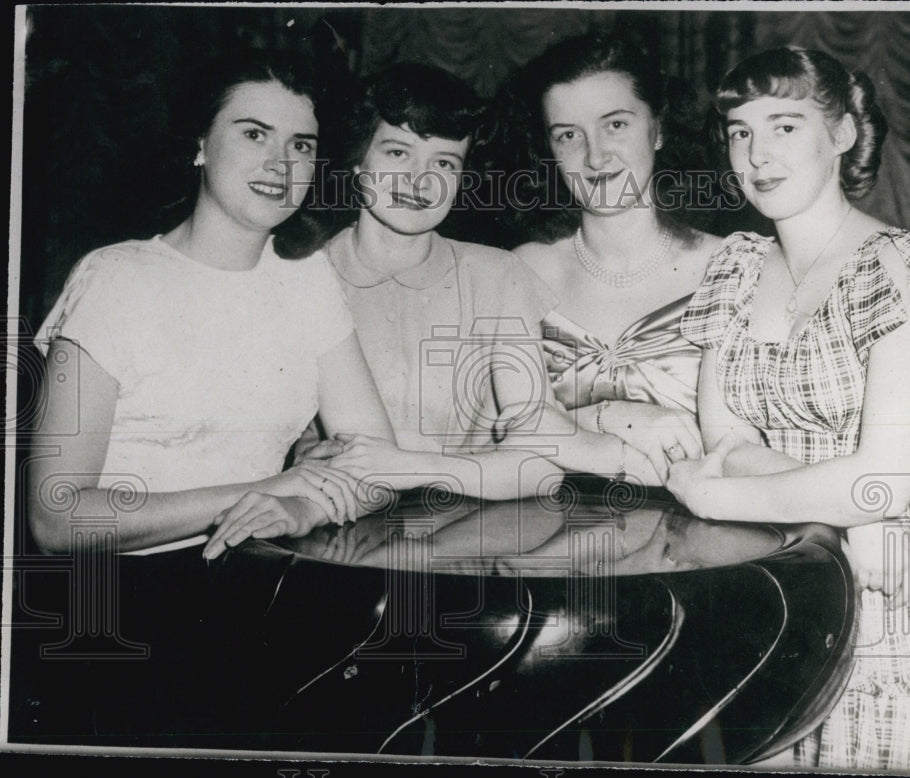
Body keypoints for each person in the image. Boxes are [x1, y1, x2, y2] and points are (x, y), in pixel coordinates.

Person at [670, 47, 910, 770]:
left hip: (900, 585)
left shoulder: (900, 268)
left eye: (784, 126)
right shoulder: (738, 267)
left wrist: (723, 493)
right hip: (780, 565)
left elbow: (888, 478)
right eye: (739, 131)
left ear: (843, 133)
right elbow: (724, 434)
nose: (756, 153)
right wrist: (848, 511)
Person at [203, 63, 671, 555]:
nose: (420, 180)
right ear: (358, 160)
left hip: (474, 547)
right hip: (327, 537)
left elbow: (542, 467)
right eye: (398, 152)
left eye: (445, 163)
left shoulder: (497, 275)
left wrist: (406, 464)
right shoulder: (295, 274)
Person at [29, 48, 395, 559]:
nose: (280, 163)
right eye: (254, 134)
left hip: (258, 577)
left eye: (301, 145)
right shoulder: (115, 278)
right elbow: (56, 518)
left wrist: (303, 508)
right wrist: (267, 489)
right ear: (199, 143)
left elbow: (379, 465)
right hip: (116, 595)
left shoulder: (306, 275)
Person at [494, 31, 722, 480]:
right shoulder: (520, 268)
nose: (595, 156)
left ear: (658, 129)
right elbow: (505, 428)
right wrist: (612, 417)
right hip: (550, 528)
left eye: (615, 125)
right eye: (567, 135)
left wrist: (565, 426)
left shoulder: (727, 266)